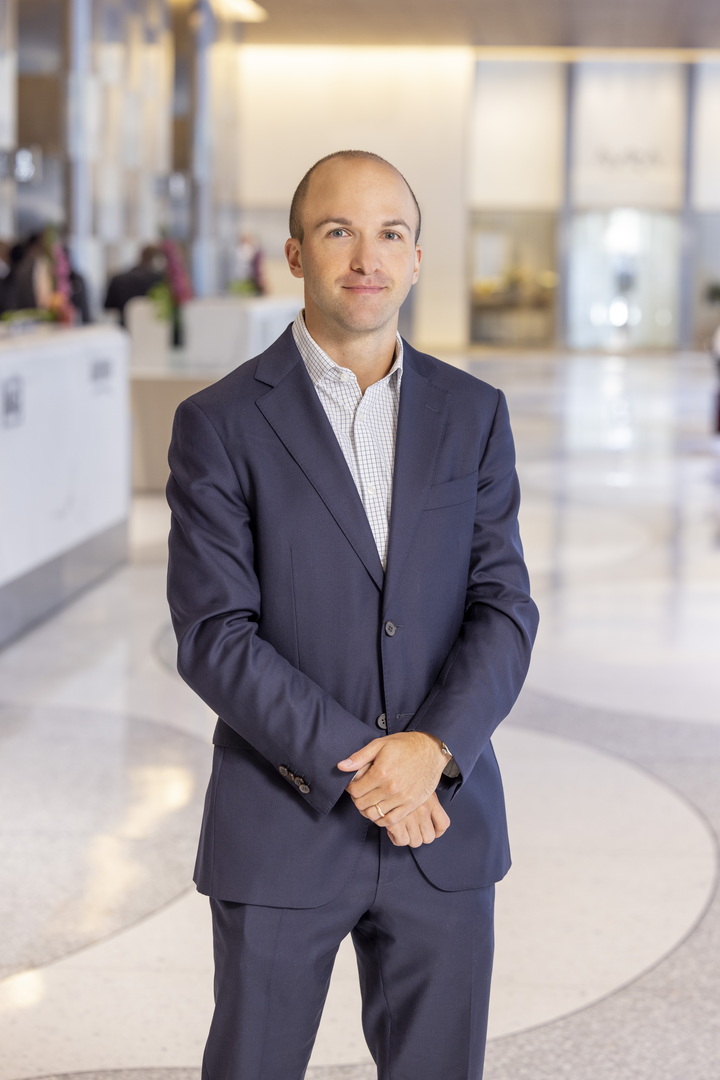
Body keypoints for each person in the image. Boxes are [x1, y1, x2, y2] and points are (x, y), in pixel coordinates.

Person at [166, 150, 539, 1080]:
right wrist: (374, 770)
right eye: (339, 231)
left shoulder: (475, 414)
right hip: (282, 825)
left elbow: (505, 606)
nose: (366, 257)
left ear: (417, 258)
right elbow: (215, 635)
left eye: (390, 234)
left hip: (441, 825)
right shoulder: (219, 423)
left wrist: (433, 752)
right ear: (295, 253)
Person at [103, 244, 166, 326]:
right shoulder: (159, 281)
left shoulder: (118, 279)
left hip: (125, 330)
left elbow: (107, 307)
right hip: (154, 329)